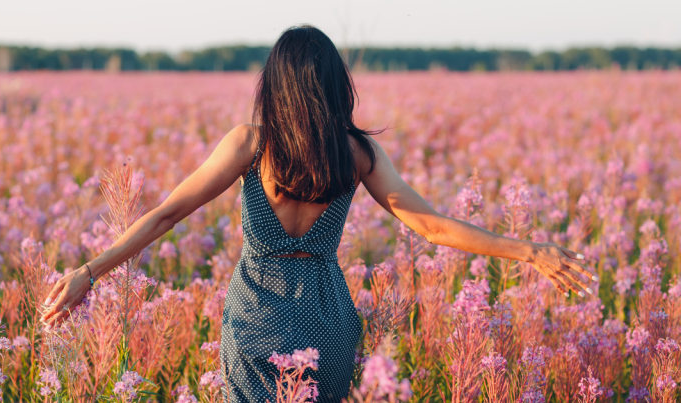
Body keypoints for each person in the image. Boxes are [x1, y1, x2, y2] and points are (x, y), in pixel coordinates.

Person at [42, 25, 597, 403]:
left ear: (275, 85)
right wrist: (530, 250)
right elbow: (431, 226)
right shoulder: (357, 153)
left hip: (255, 320)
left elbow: (165, 215)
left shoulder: (250, 145)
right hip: (326, 321)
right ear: (334, 86)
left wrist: (89, 272)